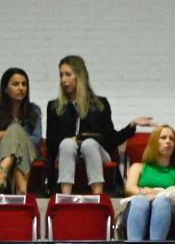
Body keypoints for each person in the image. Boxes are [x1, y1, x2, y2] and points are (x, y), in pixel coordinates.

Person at [47, 55, 148, 195]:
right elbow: (51, 142)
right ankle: (65, 196)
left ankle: (97, 195)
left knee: (89, 144)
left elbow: (112, 139)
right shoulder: (54, 107)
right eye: (61, 75)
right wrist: (70, 140)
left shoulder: (100, 104)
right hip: (66, 152)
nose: (63, 80)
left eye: (68, 74)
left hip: (95, 151)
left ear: (80, 76)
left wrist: (131, 126)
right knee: (66, 144)